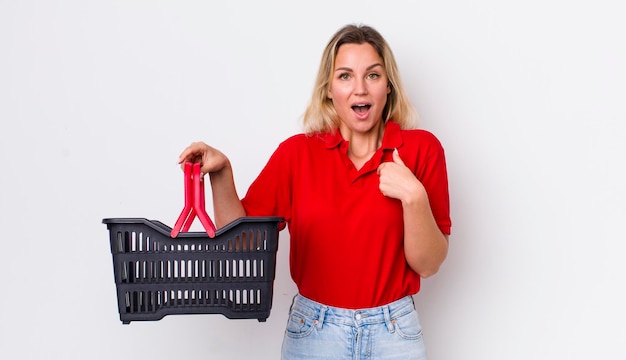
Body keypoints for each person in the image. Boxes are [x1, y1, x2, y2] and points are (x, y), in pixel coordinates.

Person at [178, 24, 451, 360]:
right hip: (314, 333)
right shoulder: (297, 154)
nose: (360, 89)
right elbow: (241, 243)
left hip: (394, 333)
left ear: (389, 86)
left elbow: (428, 264)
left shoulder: (422, 150)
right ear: (328, 89)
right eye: (346, 76)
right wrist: (222, 173)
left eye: (373, 75)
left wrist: (413, 196)